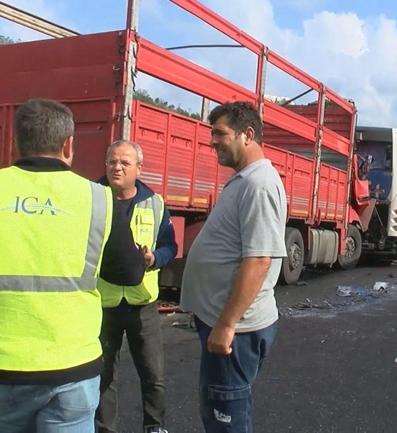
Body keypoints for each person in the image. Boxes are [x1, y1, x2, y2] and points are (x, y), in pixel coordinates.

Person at [0, 99, 146, 433]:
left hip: (2, 364)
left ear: (16, 143)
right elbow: (128, 273)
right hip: (73, 365)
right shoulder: (98, 199)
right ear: (68, 144)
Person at [180, 101, 287, 433]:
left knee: (226, 412)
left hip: (236, 330)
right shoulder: (245, 180)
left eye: (220, 134)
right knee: (222, 407)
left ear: (247, 135)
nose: (212, 141)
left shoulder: (260, 185)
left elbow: (258, 260)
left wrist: (226, 325)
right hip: (224, 323)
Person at [96, 140, 177, 433]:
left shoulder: (155, 203)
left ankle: (154, 427)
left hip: (143, 305)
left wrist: (155, 258)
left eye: (124, 163)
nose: (116, 167)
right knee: (103, 376)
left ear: (138, 168)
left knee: (153, 374)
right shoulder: (93, 199)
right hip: (102, 305)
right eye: (111, 161)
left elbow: (170, 246)